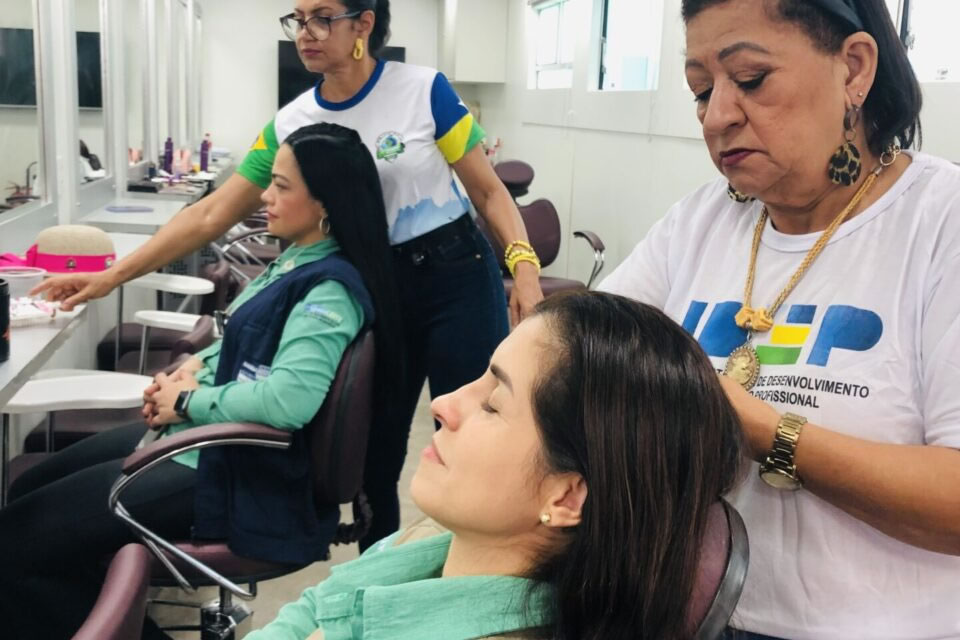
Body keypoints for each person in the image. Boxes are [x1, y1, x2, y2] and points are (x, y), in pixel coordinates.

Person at [33, 0, 544, 549]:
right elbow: (208, 214)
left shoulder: (424, 90)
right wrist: (111, 276)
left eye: (322, 17)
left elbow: (489, 191)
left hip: (455, 278)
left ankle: (482, 564)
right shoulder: (293, 121)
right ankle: (383, 579)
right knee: (379, 453)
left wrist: (525, 269)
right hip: (378, 283)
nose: (306, 32)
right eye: (298, 19)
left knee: (476, 431)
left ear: (363, 24)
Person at [599, 1, 960, 638]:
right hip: (695, 615)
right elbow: (581, 348)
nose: (717, 117)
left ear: (853, 68)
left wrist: (764, 429)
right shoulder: (700, 222)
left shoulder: (939, 224)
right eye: (701, 91)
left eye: (751, 79)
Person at [0, 123, 404, 640]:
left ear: (326, 203)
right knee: (30, 488)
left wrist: (188, 400)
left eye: (282, 186)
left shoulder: (328, 292)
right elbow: (241, 335)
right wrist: (189, 369)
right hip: (202, 440)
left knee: (13, 552)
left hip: (226, 469)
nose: (264, 195)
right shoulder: (299, 258)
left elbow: (289, 401)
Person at [240, 291, 742, 640]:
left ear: (565, 496)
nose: (444, 404)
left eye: (492, 403)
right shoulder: (426, 542)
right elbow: (312, 606)